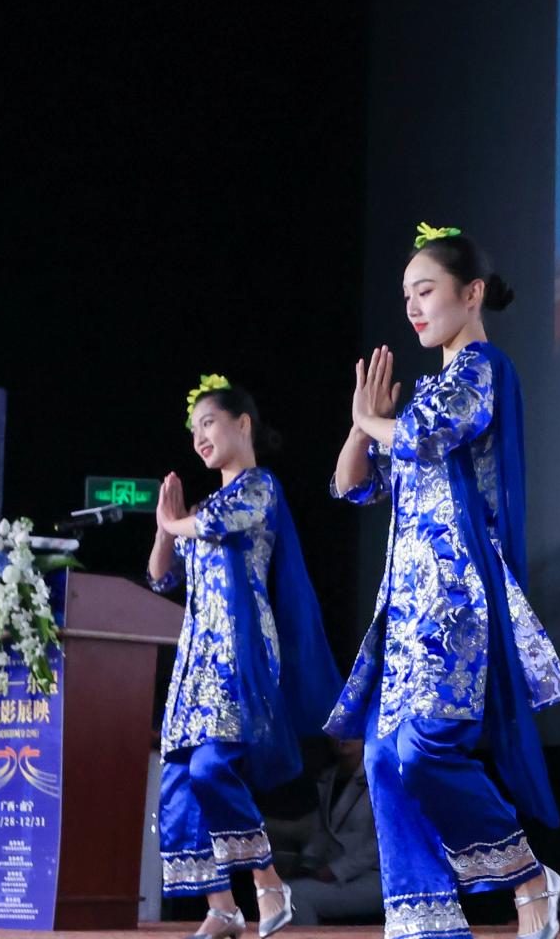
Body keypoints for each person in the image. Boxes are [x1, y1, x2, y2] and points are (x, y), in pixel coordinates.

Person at [326, 225, 560, 939]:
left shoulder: (481, 370)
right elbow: (351, 487)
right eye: (405, 295)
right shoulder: (424, 394)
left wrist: (375, 420)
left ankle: (528, 875)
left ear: (471, 295)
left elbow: (427, 435)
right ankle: (425, 923)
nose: (412, 306)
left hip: (459, 599)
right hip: (406, 608)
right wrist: (358, 424)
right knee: (380, 756)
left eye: (425, 289)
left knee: (422, 748)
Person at [150, 377, 344, 939]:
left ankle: (266, 883)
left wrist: (178, 522)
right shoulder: (202, 506)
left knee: (212, 768)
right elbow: (161, 577)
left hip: (239, 652)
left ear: (243, 423)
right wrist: (166, 525)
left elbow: (211, 526)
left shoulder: (260, 488)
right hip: (195, 660)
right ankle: (223, 908)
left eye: (208, 423)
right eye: (193, 432)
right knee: (179, 782)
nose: (199, 438)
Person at [281, 737, 382, 927]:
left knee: (293, 893)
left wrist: (336, 870)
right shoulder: (328, 778)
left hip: (375, 877)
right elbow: (321, 833)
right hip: (335, 872)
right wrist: (305, 864)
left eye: (353, 731)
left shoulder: (380, 778)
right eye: (337, 730)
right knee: (282, 889)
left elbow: (381, 844)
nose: (343, 737)